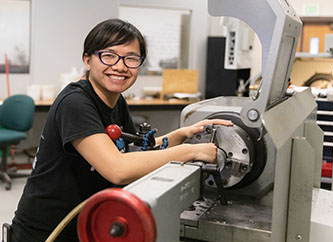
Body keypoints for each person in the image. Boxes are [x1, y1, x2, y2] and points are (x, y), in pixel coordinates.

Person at [9, 19, 233, 242]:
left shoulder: (115, 102)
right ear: (87, 59)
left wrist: (182, 134)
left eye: (131, 58)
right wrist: (190, 152)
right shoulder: (75, 102)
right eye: (109, 55)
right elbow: (117, 168)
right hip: (45, 233)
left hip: (88, 226)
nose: (120, 66)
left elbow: (135, 151)